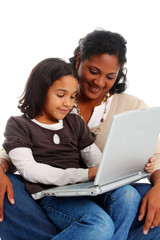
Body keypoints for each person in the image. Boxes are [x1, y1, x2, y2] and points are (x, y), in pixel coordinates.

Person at [0, 29, 159, 240]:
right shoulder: (51, 106)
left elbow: (152, 156)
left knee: (128, 199)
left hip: (100, 189)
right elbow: (16, 154)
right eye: (93, 71)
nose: (100, 82)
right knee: (8, 192)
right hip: (55, 193)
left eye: (110, 76)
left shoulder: (131, 106)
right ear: (79, 60)